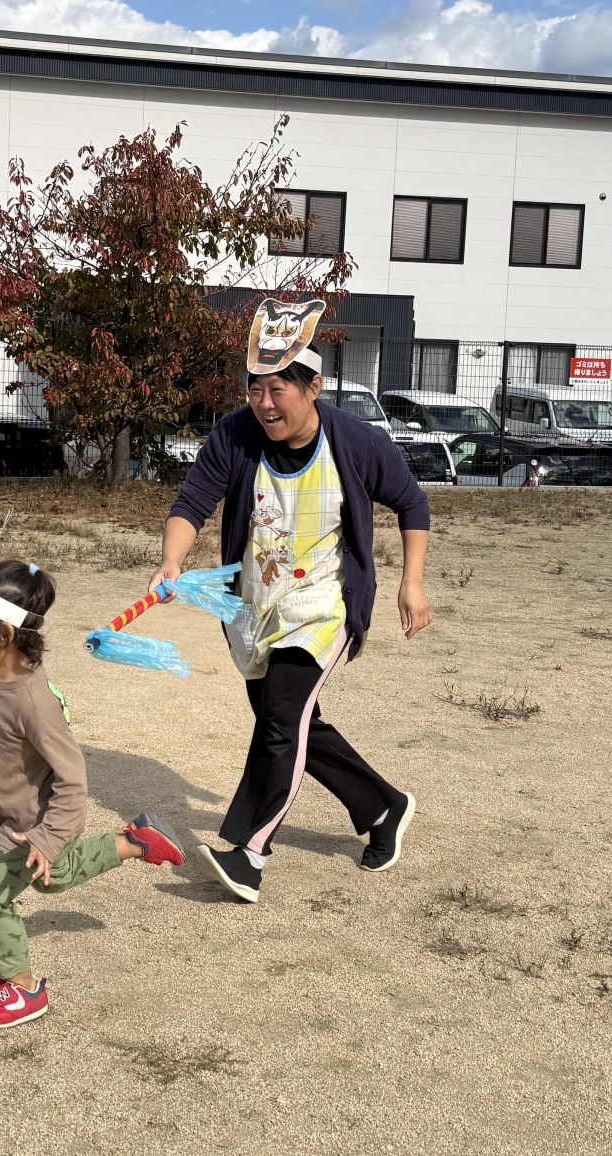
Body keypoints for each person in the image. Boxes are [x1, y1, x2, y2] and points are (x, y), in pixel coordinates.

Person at [148, 298, 432, 904]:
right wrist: (172, 560)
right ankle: (384, 806)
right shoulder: (234, 435)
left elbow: (412, 504)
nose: (265, 403)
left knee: (281, 714)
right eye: (255, 389)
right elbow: (191, 503)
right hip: (253, 606)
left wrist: (412, 583)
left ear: (313, 386)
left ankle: (249, 852)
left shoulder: (355, 442)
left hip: (324, 605)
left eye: (278, 389)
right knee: (293, 722)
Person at [0, 559, 184, 1029]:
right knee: (53, 879)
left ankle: (22, 989)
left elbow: (73, 781)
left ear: (2, 635)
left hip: (30, 827)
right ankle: (137, 841)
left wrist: (47, 838)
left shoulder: (34, 704)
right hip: (20, 819)